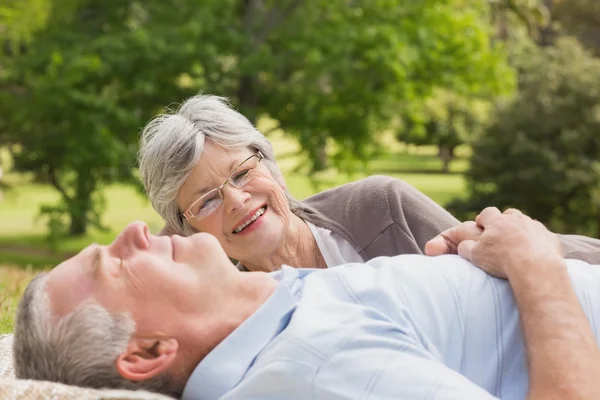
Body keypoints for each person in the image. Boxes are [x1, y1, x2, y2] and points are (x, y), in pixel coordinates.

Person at [12, 207, 600, 400]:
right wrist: (533, 262)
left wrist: (454, 274)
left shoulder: (279, 310)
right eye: (112, 265)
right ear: (145, 352)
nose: (135, 230)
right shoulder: (310, 372)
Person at [138, 95, 600, 272]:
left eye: (242, 173)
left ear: (271, 166)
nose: (238, 200)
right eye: (207, 201)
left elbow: (495, 254)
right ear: (187, 227)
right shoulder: (210, 300)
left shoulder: (379, 208)